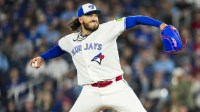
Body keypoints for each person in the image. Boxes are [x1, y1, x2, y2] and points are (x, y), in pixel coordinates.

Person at [30, 3, 169, 112]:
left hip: (116, 88)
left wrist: (160, 25)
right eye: (89, 15)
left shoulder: (108, 28)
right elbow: (59, 48)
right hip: (90, 92)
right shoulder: (70, 40)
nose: (94, 17)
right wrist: (42, 58)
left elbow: (136, 19)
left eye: (95, 15)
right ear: (81, 19)